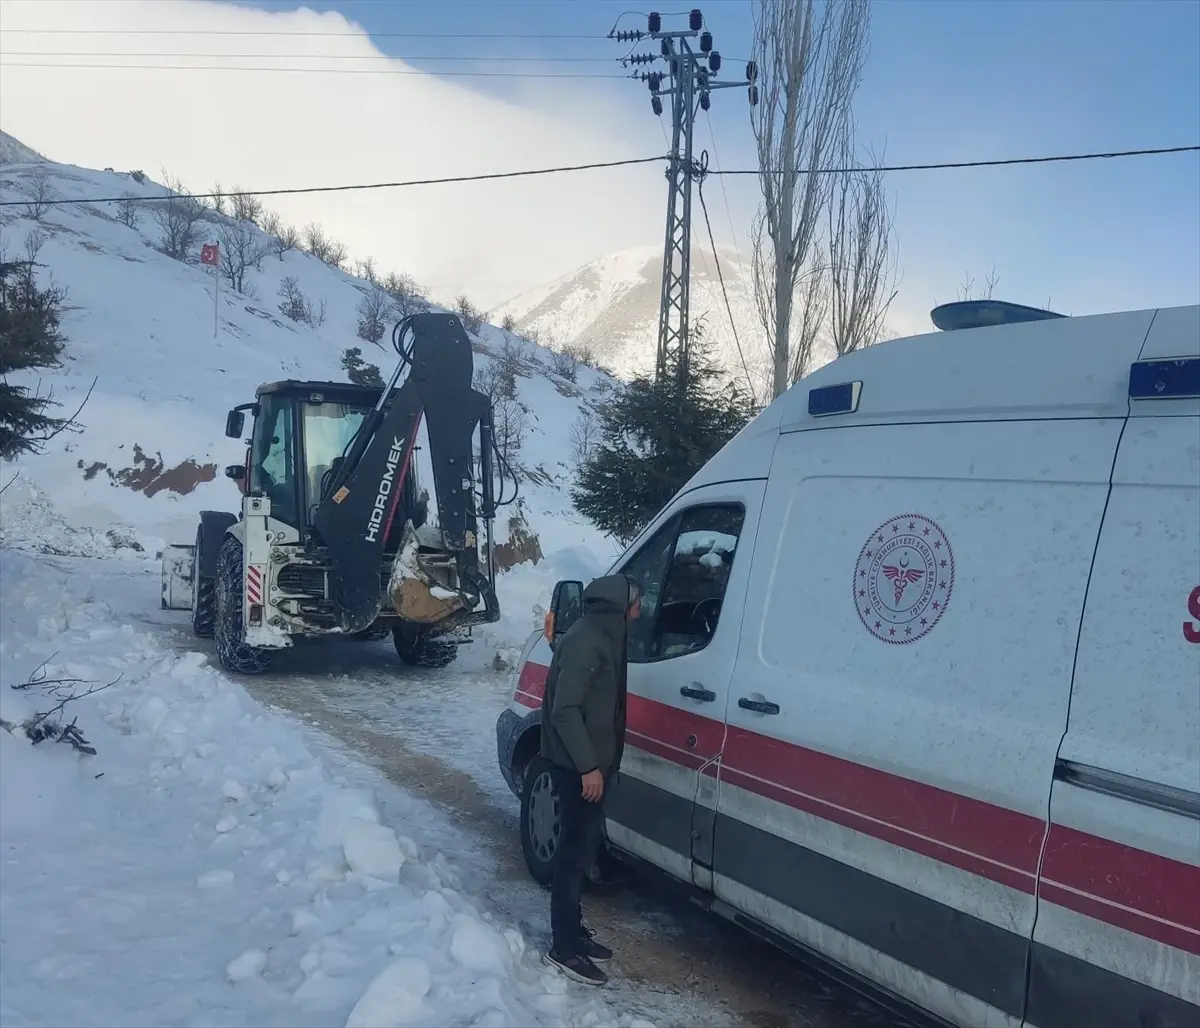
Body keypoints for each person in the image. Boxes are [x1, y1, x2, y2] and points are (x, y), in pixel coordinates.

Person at [540, 573, 641, 986]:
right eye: (637, 601)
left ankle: (572, 933)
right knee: (572, 858)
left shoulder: (606, 634)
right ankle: (563, 948)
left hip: (591, 767)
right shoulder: (587, 641)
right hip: (578, 769)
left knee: (582, 855)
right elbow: (565, 709)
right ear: (620, 605)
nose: (641, 608)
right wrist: (588, 767)